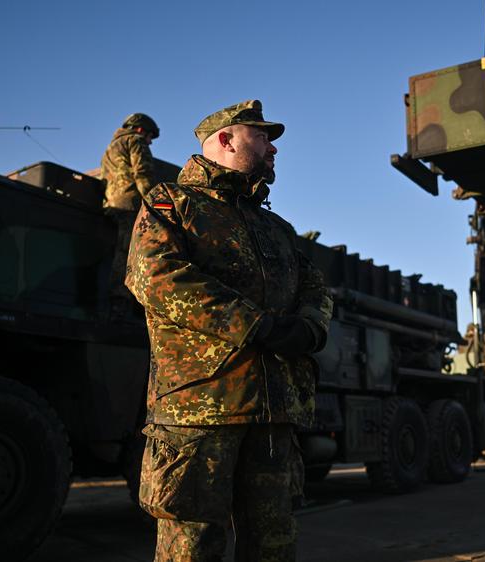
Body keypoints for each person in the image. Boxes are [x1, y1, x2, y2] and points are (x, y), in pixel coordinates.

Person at [125, 99, 332, 562]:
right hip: (200, 413)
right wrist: (256, 326)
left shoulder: (275, 227)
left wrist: (310, 328)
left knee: (274, 544)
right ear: (226, 139)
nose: (273, 148)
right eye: (262, 136)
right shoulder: (172, 204)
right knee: (192, 548)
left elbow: (314, 285)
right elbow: (155, 277)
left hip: (274, 413)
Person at [101, 112, 159, 319]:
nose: (150, 142)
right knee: (130, 255)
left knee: (120, 251)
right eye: (150, 137)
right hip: (130, 205)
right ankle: (121, 304)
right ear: (141, 130)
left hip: (112, 203)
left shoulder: (111, 147)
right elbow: (143, 173)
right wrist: (155, 205)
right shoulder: (135, 141)